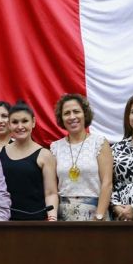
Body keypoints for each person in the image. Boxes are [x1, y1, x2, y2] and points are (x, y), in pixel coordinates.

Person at [50, 93, 113, 221]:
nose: (72, 117)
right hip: (64, 215)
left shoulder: (99, 142)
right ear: (61, 118)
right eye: (67, 113)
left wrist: (99, 216)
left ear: (85, 114)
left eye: (76, 111)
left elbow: (107, 183)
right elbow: (52, 189)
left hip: (95, 214)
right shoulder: (55, 147)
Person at [0, 101, 58, 221]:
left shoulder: (45, 155)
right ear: (9, 125)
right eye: (15, 122)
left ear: (33, 122)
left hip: (36, 223)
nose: (20, 126)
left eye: (25, 121)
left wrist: (52, 218)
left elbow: (51, 193)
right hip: (5, 222)